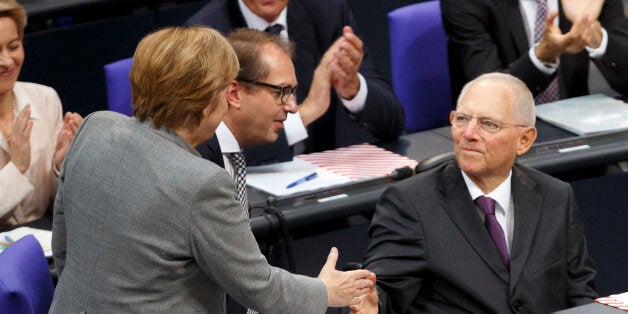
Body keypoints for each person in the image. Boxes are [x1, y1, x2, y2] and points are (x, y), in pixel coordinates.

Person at [50, 26, 374, 313]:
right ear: (208, 99)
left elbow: (64, 245)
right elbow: (260, 289)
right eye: (226, 88)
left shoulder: (95, 127)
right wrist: (327, 292)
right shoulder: (200, 182)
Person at [352, 73, 597, 313]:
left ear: (524, 140)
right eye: (462, 119)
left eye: (488, 124)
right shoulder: (410, 204)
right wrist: (369, 304)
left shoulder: (556, 196)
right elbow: (381, 294)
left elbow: (580, 294)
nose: (468, 133)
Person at [186, 0, 405, 166]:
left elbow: (392, 124)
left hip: (321, 190)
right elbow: (206, 150)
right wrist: (308, 111)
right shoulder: (205, 36)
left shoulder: (327, 12)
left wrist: (353, 89)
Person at [441, 0, 628, 104]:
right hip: (499, 135)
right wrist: (542, 57)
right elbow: (488, 96)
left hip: (577, 133)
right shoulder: (465, 3)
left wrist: (595, 37)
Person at [0, 0, 81, 228]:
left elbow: (58, 206)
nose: (6, 61)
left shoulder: (45, 99)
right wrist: (17, 167)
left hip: (44, 244)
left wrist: (61, 166)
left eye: (13, 46)